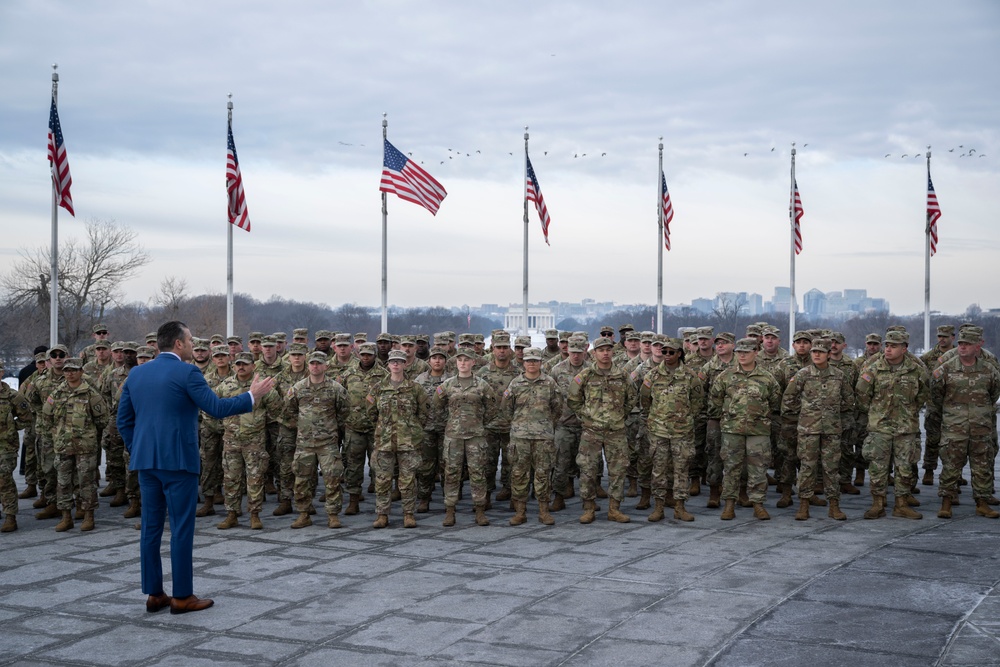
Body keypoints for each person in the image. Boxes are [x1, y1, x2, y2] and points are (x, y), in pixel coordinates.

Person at [117, 321, 275, 615]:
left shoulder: (137, 373)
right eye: (190, 339)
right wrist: (252, 396)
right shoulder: (188, 372)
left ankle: (154, 594)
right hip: (178, 462)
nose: (194, 344)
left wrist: (138, 448)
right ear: (178, 343)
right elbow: (215, 408)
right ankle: (182, 596)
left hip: (146, 463)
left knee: (150, 529)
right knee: (181, 528)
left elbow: (123, 421)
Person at [708, 338, 781, 521]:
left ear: (756, 353)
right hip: (732, 429)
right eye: (739, 352)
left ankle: (758, 504)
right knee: (732, 467)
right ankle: (729, 505)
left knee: (758, 468)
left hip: (758, 430)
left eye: (746, 352)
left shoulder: (766, 377)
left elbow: (774, 400)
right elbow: (715, 401)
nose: (741, 355)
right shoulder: (725, 376)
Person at [501, 347, 561, 525]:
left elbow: (557, 407)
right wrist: (518, 424)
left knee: (543, 474)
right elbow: (506, 408)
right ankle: (520, 512)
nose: (532, 364)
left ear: (541, 363)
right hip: (520, 437)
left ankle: (544, 511)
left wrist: (546, 425)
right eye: (528, 361)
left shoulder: (550, 383)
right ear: (523, 363)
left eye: (535, 360)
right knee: (519, 474)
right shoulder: (515, 384)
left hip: (543, 437)